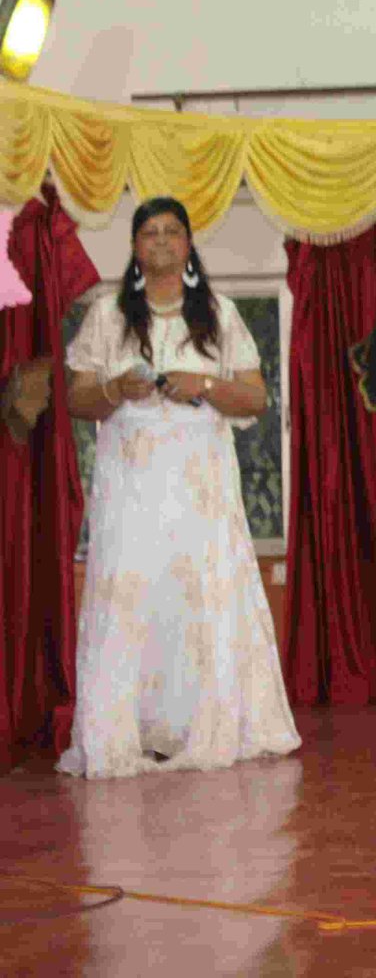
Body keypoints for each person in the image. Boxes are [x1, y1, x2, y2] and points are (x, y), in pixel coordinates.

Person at [57, 196, 301, 778]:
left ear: (189, 245)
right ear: (135, 247)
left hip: (200, 486)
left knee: (203, 596)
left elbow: (257, 397)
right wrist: (116, 388)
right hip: (131, 485)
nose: (162, 241)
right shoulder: (108, 316)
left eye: (172, 232)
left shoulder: (217, 313)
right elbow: (77, 399)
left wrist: (204, 384)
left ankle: (207, 725)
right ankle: (132, 729)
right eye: (150, 233)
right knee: (134, 596)